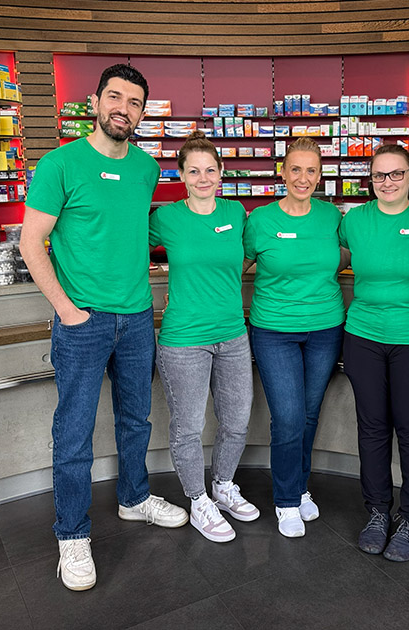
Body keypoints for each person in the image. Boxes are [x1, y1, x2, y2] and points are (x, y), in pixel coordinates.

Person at [20, 64, 187, 592]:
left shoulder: (145, 168)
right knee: (74, 432)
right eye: (114, 97)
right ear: (94, 102)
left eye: (134, 102)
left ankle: (135, 498)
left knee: (136, 418)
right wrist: (69, 312)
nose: (124, 108)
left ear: (141, 113)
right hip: (83, 321)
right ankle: (71, 534)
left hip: (137, 317)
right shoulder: (60, 164)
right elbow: (31, 243)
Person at [338, 144, 409, 562]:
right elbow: (328, 260)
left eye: (395, 174)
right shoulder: (355, 221)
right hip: (364, 335)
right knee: (371, 428)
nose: (387, 183)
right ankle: (377, 513)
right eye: (379, 176)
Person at [150, 131, 259, 543]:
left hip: (233, 334)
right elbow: (127, 246)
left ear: (222, 172)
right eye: (193, 171)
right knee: (189, 427)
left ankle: (223, 486)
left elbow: (250, 256)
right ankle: (198, 500)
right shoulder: (167, 218)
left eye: (210, 170)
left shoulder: (236, 213)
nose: (202, 177)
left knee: (236, 421)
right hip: (183, 340)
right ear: (180, 174)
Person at [243, 137, 345, 538]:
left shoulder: (331, 217)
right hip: (274, 331)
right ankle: (286, 500)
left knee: (307, 414)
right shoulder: (261, 220)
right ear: (282, 172)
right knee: (286, 417)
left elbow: (351, 256)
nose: (303, 178)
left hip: (325, 327)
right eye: (296, 169)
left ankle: (300, 487)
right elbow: (237, 265)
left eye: (312, 170)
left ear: (320, 176)